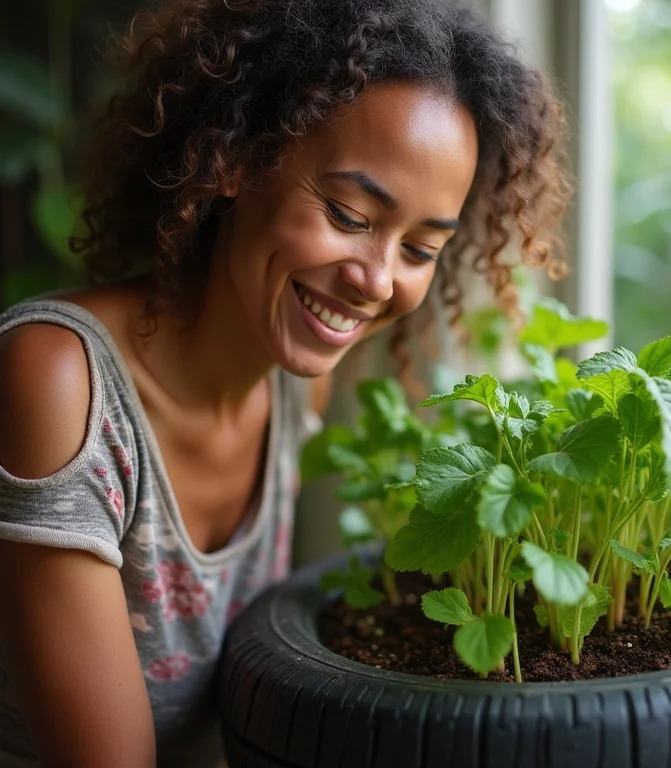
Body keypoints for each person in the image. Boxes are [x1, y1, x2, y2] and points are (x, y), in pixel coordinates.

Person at [0, 0, 568, 765]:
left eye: (421, 250)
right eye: (348, 212)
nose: (377, 280)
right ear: (236, 156)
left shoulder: (299, 388)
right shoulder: (58, 381)